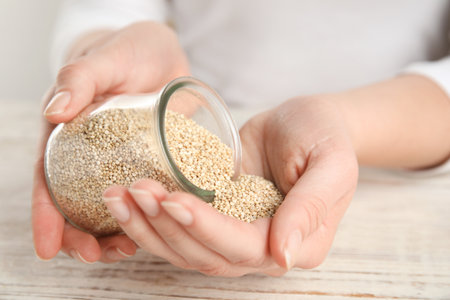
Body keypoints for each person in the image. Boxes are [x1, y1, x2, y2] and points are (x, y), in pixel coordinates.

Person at [33, 0, 450, 276]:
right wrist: (101, 50)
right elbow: (105, 8)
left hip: (401, 143)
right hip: (183, 104)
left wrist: (344, 122)